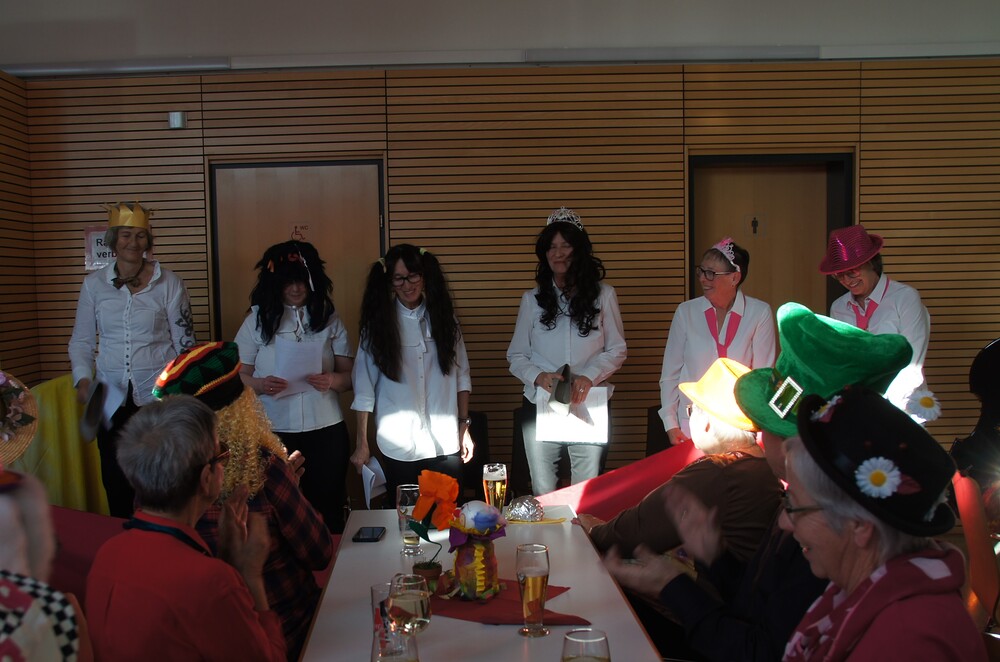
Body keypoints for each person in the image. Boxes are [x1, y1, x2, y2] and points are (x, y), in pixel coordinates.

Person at [606, 301, 914, 661]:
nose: (759, 437)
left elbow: (760, 650)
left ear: (794, 445)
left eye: (765, 427)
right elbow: (755, 602)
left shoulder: (828, 529)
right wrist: (714, 554)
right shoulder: (798, 499)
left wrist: (671, 586)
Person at [154, 342, 332, 661]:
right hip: (287, 633)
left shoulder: (157, 486)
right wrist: (291, 489)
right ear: (243, 405)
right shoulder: (265, 470)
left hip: (201, 644)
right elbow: (320, 552)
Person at [781, 386, 985, 660]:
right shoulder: (866, 597)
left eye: (793, 505)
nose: (784, 523)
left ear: (859, 525)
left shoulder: (908, 641)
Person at [85, 395, 286, 661]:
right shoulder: (212, 582)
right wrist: (250, 575)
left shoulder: (108, 553)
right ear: (206, 478)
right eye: (222, 454)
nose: (225, 464)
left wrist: (226, 559)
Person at [580, 358, 781, 562]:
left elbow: (636, 531)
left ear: (707, 424)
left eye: (691, 410)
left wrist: (594, 530)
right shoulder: (765, 467)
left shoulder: (717, 470)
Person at [68, 202, 196, 517]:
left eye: (140, 235)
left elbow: (184, 343)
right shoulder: (94, 285)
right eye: (126, 235)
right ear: (113, 240)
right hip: (108, 394)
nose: (133, 242)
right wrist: (82, 379)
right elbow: (82, 340)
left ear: (148, 241)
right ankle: (124, 533)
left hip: (157, 395)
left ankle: (160, 534)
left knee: (161, 474)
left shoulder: (169, 283)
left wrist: (179, 390)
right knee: (115, 476)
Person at [235, 240, 354, 533]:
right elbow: (238, 377)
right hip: (273, 429)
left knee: (328, 505)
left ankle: (331, 558)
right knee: (275, 510)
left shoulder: (328, 317)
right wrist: (260, 384)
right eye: (289, 282)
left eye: (302, 281)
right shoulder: (256, 320)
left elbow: (351, 376)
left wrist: (332, 380)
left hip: (325, 427)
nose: (297, 289)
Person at [507, 207, 627, 495]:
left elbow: (617, 349)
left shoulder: (604, 294)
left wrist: (589, 375)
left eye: (565, 246)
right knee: (543, 489)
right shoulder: (532, 299)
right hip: (541, 402)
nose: (558, 254)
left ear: (579, 250)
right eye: (551, 247)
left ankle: (580, 527)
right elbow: (516, 355)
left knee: (586, 489)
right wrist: (539, 377)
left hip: (589, 401)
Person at [350, 244, 473, 504]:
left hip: (444, 441)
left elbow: (462, 376)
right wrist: (362, 443)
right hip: (398, 442)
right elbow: (363, 388)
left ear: (424, 276)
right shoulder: (377, 325)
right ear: (390, 282)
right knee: (407, 518)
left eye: (413, 276)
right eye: (399, 278)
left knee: (446, 516)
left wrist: (464, 427)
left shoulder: (445, 319)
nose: (407, 285)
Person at [659, 237, 775, 446]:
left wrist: (760, 425)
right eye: (701, 271)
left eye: (711, 273)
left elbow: (762, 375)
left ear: (734, 277)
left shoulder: (759, 313)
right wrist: (670, 423)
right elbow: (670, 373)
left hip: (740, 424)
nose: (703, 279)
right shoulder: (686, 312)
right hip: (692, 423)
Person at [819, 224, 930, 410]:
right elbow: (843, 363)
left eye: (852, 271)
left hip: (902, 405)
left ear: (872, 262)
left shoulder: (905, 297)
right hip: (857, 406)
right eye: (839, 275)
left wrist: (883, 408)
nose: (846, 280)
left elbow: (912, 364)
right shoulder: (838, 307)